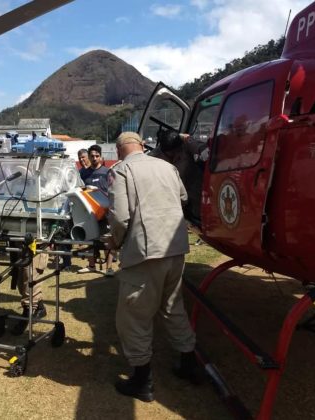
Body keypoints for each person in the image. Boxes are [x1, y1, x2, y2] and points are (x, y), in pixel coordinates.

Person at [107, 132, 202, 403]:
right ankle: (188, 362)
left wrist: (115, 242)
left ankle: (142, 380)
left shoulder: (121, 171)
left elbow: (120, 217)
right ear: (141, 145)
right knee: (173, 308)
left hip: (145, 252)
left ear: (119, 150)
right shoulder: (167, 167)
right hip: (175, 248)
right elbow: (183, 198)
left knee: (133, 316)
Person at [77, 144, 109, 274]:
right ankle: (91, 265)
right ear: (89, 157)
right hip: (89, 212)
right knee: (89, 239)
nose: (94, 158)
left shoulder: (107, 172)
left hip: (105, 212)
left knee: (106, 239)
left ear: (101, 157)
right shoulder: (83, 173)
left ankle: (109, 268)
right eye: (92, 156)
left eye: (97, 156)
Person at [9, 246, 48, 336]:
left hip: (36, 247)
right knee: (21, 282)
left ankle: (26, 315)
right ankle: (40, 308)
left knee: (30, 281)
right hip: (20, 246)